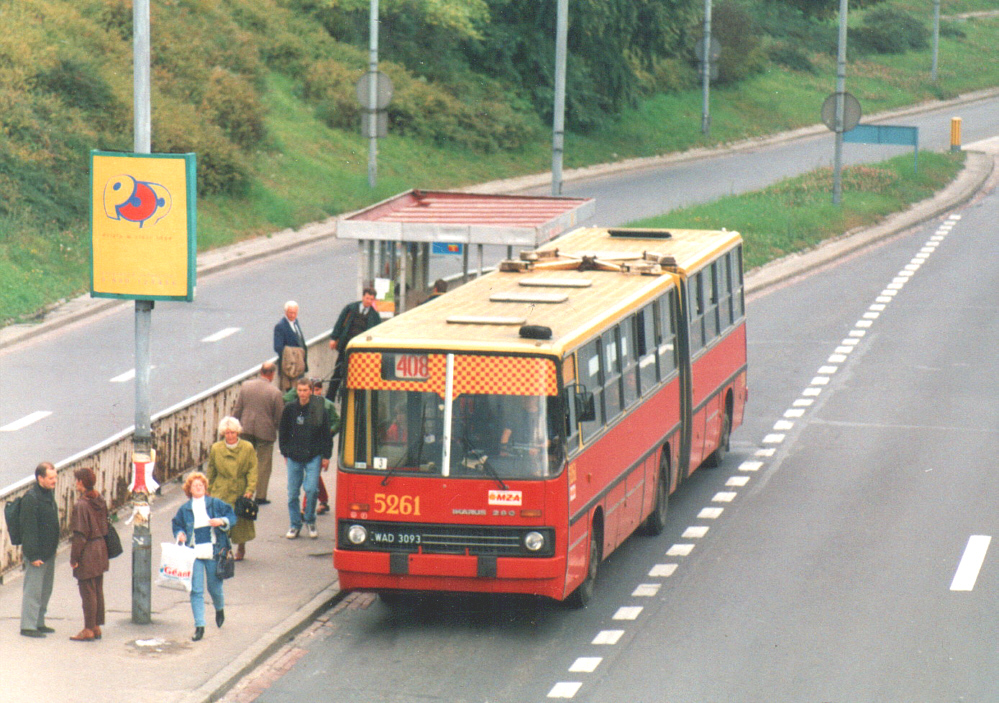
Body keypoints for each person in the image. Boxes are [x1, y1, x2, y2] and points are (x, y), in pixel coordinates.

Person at [171, 472, 236, 642]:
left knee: (214, 588)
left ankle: (219, 608)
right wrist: (180, 534)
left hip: (213, 551)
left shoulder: (215, 503)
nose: (198, 488)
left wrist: (221, 521)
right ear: (189, 490)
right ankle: (199, 626)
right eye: (195, 486)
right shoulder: (185, 509)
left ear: (205, 488)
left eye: (201, 485)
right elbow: (177, 524)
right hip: (194, 553)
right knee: (196, 590)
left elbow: (232, 515)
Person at [279, 377, 333, 539]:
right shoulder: (289, 409)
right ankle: (295, 525)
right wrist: (285, 452)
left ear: (310, 391)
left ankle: (310, 520)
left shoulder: (318, 408)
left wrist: (326, 456)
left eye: (305, 390)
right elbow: (283, 432)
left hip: (313, 455)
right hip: (294, 456)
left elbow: (326, 434)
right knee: (293, 493)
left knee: (311, 489)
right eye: (300, 390)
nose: (302, 394)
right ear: (297, 391)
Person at [232, 361, 284, 505]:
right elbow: (279, 417)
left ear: (261, 371)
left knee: (245, 461)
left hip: (246, 427)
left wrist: (233, 426)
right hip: (265, 432)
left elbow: (238, 409)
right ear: (272, 374)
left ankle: (242, 492)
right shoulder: (275, 393)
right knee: (263, 464)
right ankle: (260, 496)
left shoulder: (246, 386)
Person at [207, 417, 258, 561]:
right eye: (227, 433)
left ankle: (241, 547)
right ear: (223, 433)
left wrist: (250, 488)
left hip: (240, 488)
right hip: (221, 488)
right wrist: (208, 488)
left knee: (240, 520)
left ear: (238, 432)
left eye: (233, 433)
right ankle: (224, 548)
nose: (230, 436)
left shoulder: (247, 447)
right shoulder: (216, 448)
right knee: (220, 520)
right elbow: (211, 469)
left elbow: (252, 469)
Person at [19, 462, 60, 638]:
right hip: (37, 553)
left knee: (45, 589)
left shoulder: (48, 494)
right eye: (51, 478)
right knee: (33, 590)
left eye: (55, 477)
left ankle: (39, 621)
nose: (55, 481)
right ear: (40, 478)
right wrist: (33, 554)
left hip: (48, 551)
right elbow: (28, 529)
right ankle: (28, 625)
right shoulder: (31, 498)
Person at [69, 467, 109, 642]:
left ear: (81, 482)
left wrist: (74, 558)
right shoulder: (99, 500)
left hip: (88, 551)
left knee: (87, 591)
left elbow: (80, 535)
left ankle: (88, 628)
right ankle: (96, 625)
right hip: (101, 548)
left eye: (77, 480)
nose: (75, 483)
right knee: (98, 589)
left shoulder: (81, 505)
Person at [327, 288, 382, 401]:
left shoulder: (375, 316)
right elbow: (340, 322)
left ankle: (356, 402)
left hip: (361, 351)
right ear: (363, 297)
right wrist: (334, 338)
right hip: (346, 347)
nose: (368, 301)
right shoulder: (351, 308)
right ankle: (329, 400)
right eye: (367, 298)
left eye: (371, 299)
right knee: (337, 373)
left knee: (358, 377)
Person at [274, 301, 308, 391]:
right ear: (285, 312)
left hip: (300, 366)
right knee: (291, 392)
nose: (293, 315)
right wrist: (291, 355)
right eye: (290, 313)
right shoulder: (280, 326)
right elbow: (278, 347)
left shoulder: (296, 322)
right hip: (290, 369)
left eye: (295, 313)